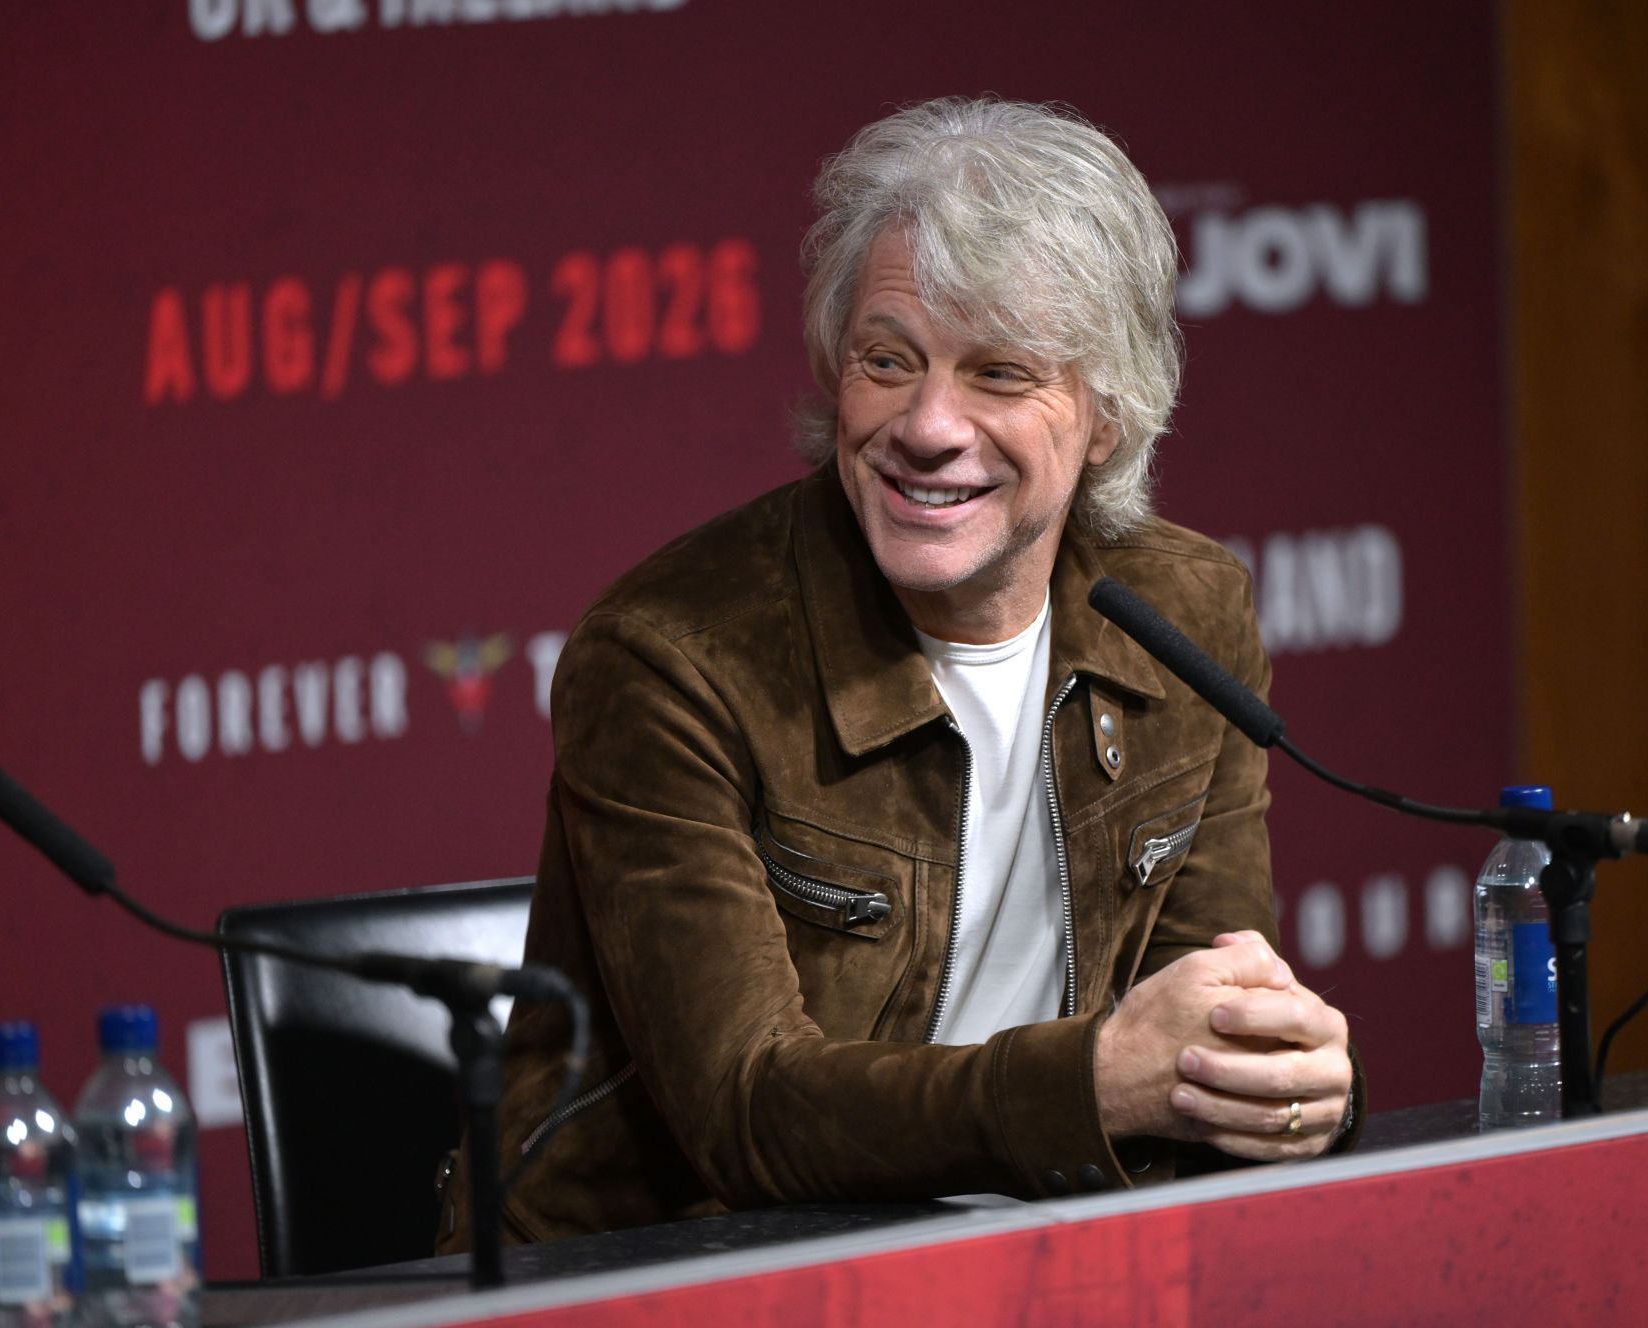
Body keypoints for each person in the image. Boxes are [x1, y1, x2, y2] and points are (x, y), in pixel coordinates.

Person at [437, 96, 1359, 1248]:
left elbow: (1200, 1022)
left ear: (1108, 413)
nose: (928, 425)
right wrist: (1093, 1082)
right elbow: (748, 1111)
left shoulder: (1184, 613)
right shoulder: (671, 657)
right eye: (888, 360)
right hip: (671, 1279)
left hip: (1019, 1260)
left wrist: (1294, 1084)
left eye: (999, 374)